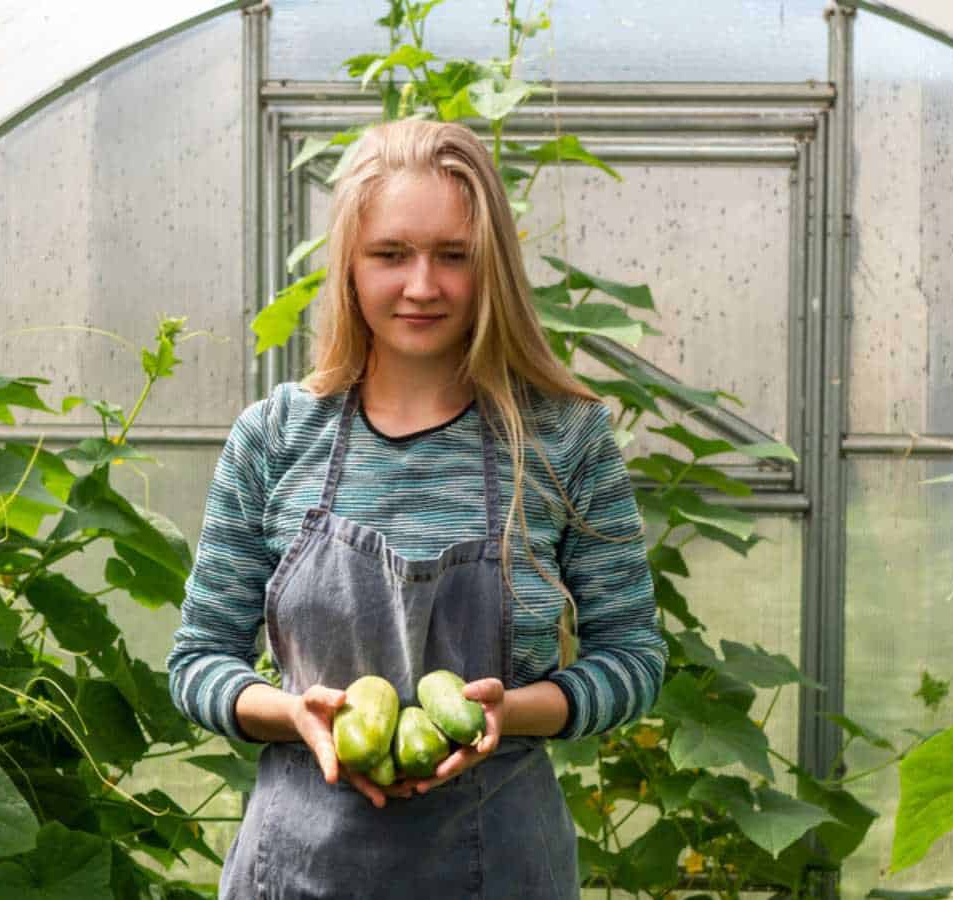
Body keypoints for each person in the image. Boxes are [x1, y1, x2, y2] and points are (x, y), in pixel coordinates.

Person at [166, 119, 666, 900]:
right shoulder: (275, 437)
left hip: (500, 866)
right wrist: (295, 714)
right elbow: (197, 662)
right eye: (391, 254)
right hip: (299, 868)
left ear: (491, 265)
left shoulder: (566, 441)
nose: (422, 286)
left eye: (454, 256)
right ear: (350, 266)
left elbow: (633, 658)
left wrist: (517, 713)